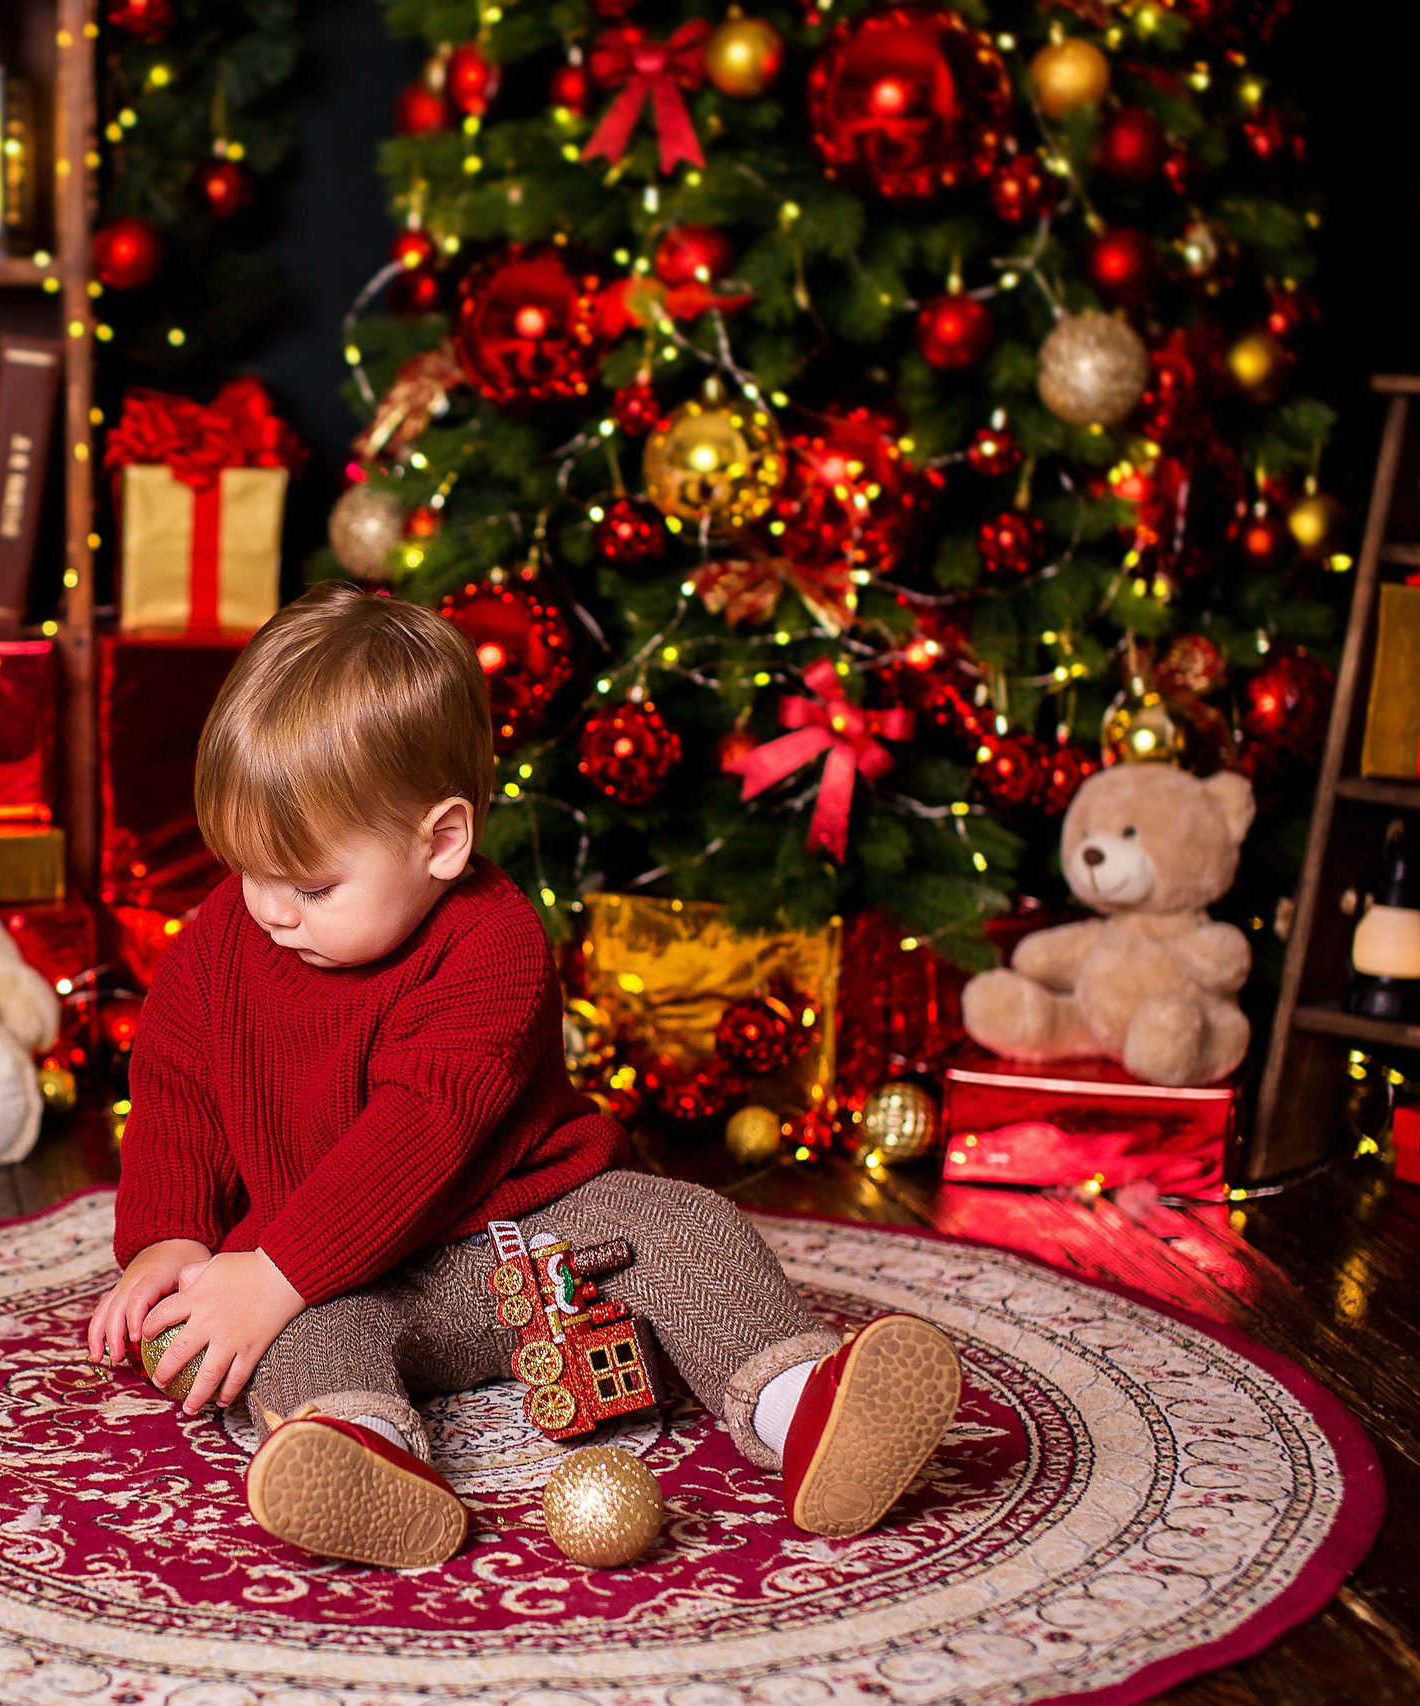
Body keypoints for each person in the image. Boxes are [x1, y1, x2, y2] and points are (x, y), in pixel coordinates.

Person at [85, 584, 963, 1569]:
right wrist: (173, 1235)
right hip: (355, 1272)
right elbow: (176, 1085)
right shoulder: (226, 935)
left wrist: (276, 1267)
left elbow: (423, 1126)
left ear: (440, 842)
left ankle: (803, 1406)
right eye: (247, 870)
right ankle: (361, 1451)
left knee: (693, 1229)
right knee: (288, 1338)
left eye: (312, 885)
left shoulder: (492, 938)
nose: (271, 910)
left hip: (537, 1229)